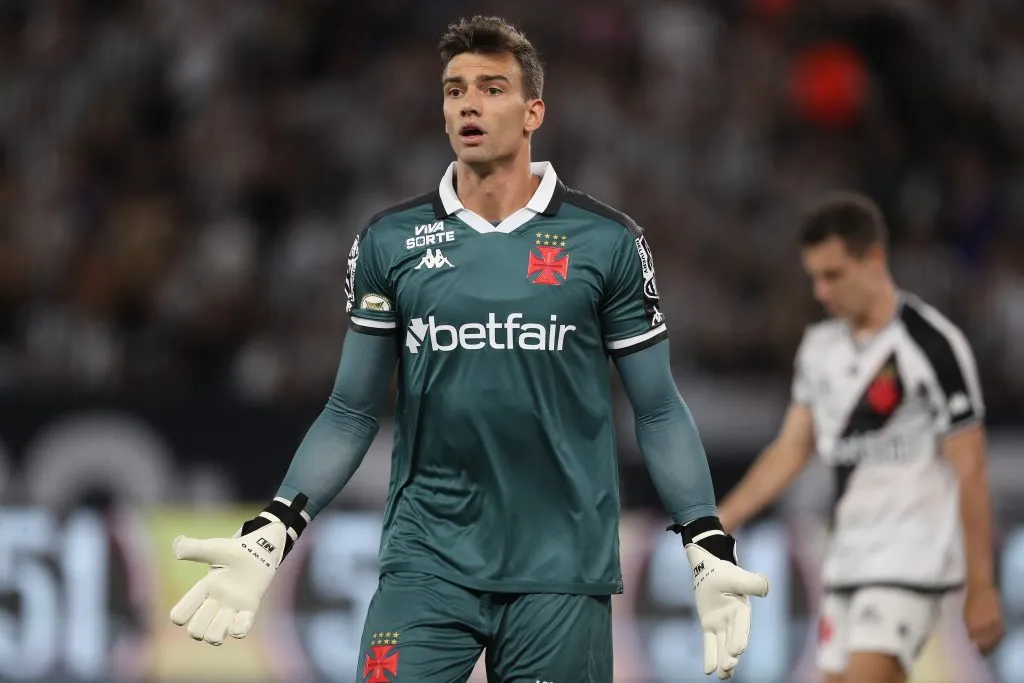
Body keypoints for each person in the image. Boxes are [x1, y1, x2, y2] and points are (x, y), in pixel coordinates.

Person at [166, 14, 768, 683]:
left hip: (560, 570)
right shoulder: (390, 241)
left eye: (491, 88)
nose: (468, 105)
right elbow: (350, 410)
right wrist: (276, 525)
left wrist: (704, 537)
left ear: (534, 111)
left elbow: (657, 407)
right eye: (455, 91)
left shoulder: (607, 242)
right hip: (426, 563)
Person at [717, 192, 1005, 683]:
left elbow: (971, 468)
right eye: (814, 277)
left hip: (910, 558)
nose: (822, 291)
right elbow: (791, 449)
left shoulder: (932, 345)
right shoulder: (819, 348)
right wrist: (723, 518)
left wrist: (982, 586)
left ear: (873, 259)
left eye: (833, 275)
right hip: (846, 558)